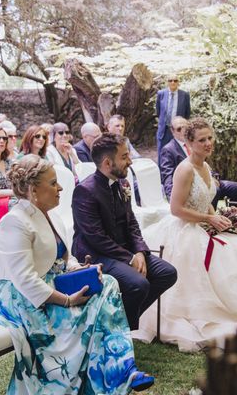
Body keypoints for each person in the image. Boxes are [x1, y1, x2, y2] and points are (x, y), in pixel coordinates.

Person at [0, 155, 155, 393]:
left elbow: (64, 260)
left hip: (51, 282)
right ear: (34, 190)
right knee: (93, 306)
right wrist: (66, 300)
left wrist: (81, 270)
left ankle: (123, 368)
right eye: (53, 183)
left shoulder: (51, 215)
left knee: (107, 283)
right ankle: (106, 374)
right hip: (19, 297)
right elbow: (25, 280)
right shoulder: (14, 222)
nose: (61, 188)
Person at [137, 118, 237, 351]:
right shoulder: (185, 169)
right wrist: (208, 219)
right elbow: (176, 209)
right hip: (186, 231)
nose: (208, 143)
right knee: (218, 264)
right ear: (189, 143)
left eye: (210, 138)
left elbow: (205, 201)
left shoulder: (206, 167)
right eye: (202, 140)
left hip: (205, 224)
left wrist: (221, 219)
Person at [72, 133, 177, 331]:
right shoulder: (85, 191)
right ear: (106, 163)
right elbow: (95, 237)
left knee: (167, 273)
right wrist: (130, 258)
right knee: (139, 284)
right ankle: (119, 331)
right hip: (95, 254)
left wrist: (139, 251)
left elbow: (132, 223)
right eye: (124, 157)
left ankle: (119, 325)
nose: (130, 161)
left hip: (125, 251)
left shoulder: (123, 184)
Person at [160, 116, 237, 204]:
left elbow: (204, 166)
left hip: (211, 181)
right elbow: (168, 177)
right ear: (173, 131)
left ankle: (236, 214)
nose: (183, 131)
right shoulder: (169, 150)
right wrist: (173, 198)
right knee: (212, 192)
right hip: (193, 189)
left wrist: (214, 178)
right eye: (179, 129)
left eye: (185, 127)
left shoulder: (201, 143)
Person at [156, 75, 191, 162]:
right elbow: (158, 111)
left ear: (178, 82)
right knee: (161, 154)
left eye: (175, 80)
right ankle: (162, 174)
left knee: (178, 153)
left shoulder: (184, 95)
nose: (172, 82)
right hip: (164, 130)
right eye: (170, 80)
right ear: (167, 82)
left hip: (178, 130)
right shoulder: (161, 94)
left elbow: (187, 114)